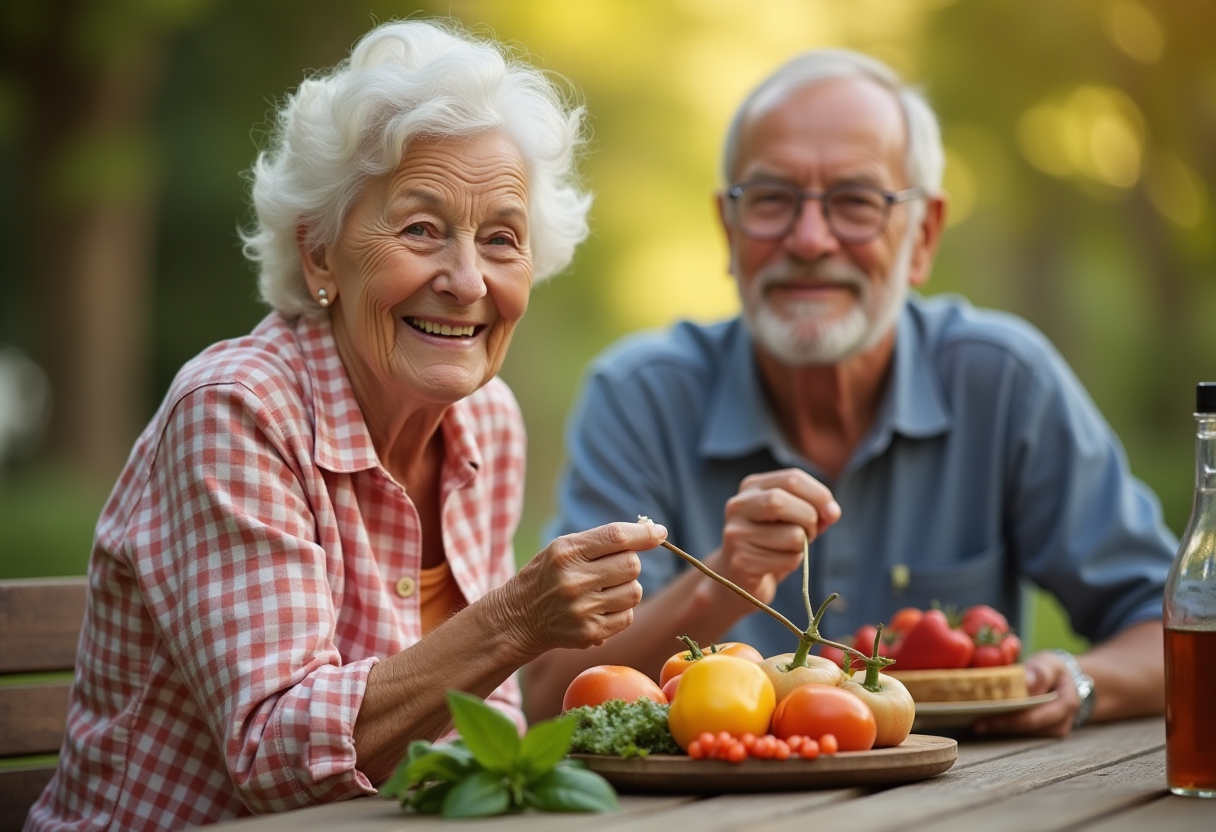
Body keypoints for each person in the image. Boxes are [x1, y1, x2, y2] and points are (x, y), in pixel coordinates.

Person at [26, 20, 665, 832]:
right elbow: (275, 759)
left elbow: (486, 731)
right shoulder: (237, 411)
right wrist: (513, 620)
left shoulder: (487, 421)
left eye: (501, 238)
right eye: (421, 228)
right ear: (322, 255)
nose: (466, 280)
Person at [529, 48, 1174, 737]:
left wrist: (1077, 684)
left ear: (922, 234)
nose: (810, 240)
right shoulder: (638, 398)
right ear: (729, 229)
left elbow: (1183, 622)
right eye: (772, 200)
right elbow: (549, 695)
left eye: (856, 203)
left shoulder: (1004, 380)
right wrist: (721, 582)